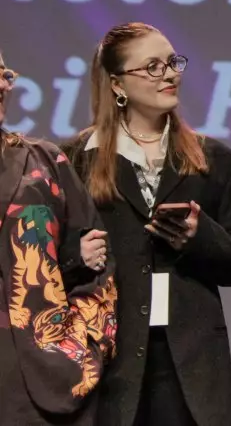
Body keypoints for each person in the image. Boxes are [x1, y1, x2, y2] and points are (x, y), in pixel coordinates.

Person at [63, 23, 231, 426]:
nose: (170, 74)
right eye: (152, 66)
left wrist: (200, 236)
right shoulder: (74, 162)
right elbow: (40, 259)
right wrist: (75, 257)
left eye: (172, 62)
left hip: (189, 363)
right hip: (108, 357)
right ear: (117, 84)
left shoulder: (215, 161)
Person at [0, 53, 118, 425]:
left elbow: (99, 269)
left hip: (38, 383)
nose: (4, 85)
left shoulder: (43, 163)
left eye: (5, 73)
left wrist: (81, 352)